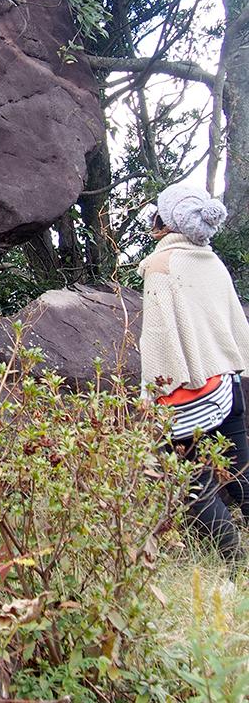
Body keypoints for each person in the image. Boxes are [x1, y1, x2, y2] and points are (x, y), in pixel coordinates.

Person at [139, 182, 249, 563]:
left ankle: (234, 562)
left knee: (191, 485)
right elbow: (232, 320)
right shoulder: (212, 261)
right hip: (228, 383)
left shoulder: (160, 266)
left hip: (192, 391)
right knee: (242, 474)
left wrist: (151, 398)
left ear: (166, 221)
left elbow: (158, 339)